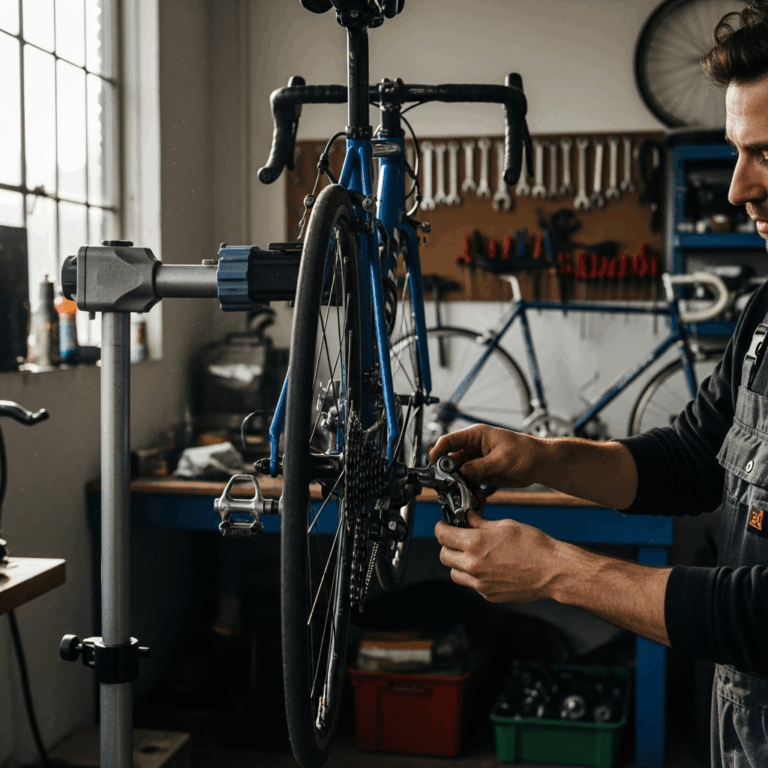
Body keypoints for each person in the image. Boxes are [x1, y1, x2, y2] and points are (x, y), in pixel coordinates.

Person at [430, 4, 768, 766]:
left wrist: (555, 570)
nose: (740, 187)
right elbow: (687, 460)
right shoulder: (765, 315)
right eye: (738, 153)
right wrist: (539, 457)